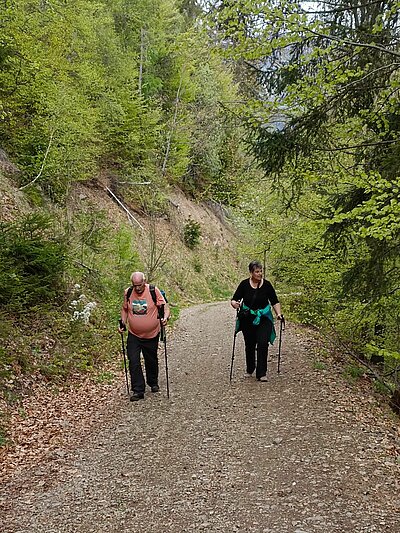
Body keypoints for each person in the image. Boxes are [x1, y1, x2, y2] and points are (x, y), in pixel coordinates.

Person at [118, 272, 170, 401]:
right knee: (133, 360)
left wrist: (165, 318)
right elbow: (125, 309)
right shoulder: (128, 292)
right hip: (134, 334)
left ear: (144, 281)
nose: (137, 288)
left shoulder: (153, 290)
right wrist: (123, 323)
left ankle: (153, 382)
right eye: (135, 285)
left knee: (150, 359)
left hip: (151, 334)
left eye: (139, 285)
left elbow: (165, 307)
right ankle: (138, 390)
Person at [231, 260, 283, 382]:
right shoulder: (244, 284)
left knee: (263, 343)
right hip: (247, 319)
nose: (259, 274)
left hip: (264, 318)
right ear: (251, 272)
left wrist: (279, 314)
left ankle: (261, 373)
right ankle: (250, 368)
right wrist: (235, 304)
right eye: (257, 272)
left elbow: (274, 301)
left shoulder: (267, 285)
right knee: (249, 345)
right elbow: (234, 299)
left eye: (261, 271)